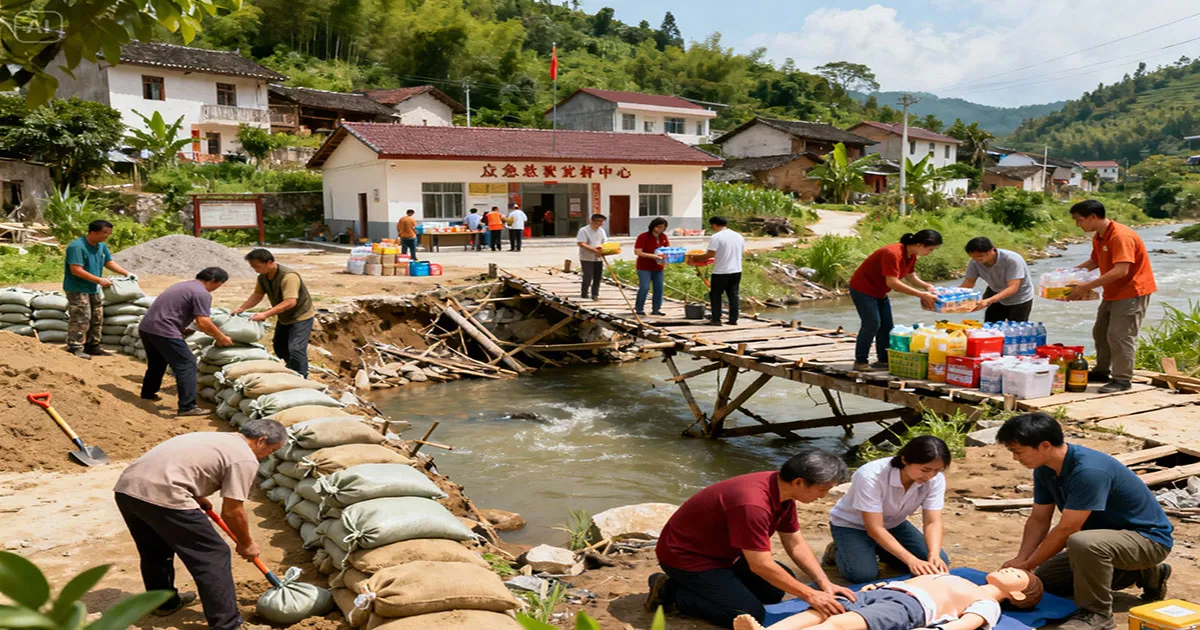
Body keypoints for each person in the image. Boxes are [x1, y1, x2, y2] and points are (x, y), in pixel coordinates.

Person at [997, 412, 1172, 630]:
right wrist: (1022, 560)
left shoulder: (1088, 471)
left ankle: (1097, 614)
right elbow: (1039, 519)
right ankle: (1144, 571)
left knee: (1082, 542)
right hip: (1107, 541)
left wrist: (1028, 565)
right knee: (1045, 582)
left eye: (1018, 451)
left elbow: (1068, 528)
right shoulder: (1045, 468)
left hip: (1148, 540)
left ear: (1044, 445)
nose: (1015, 458)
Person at [647, 449, 854, 628]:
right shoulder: (753, 504)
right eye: (822, 489)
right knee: (747, 614)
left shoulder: (784, 491)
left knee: (773, 590)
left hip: (726, 555)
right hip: (688, 559)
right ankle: (671, 592)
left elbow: (795, 542)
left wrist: (823, 583)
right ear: (799, 482)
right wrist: (810, 595)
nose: (823, 496)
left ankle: (717, 587)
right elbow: (760, 566)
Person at [113, 419, 287, 630]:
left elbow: (183, 463)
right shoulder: (245, 459)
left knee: (155, 550)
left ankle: (164, 603)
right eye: (271, 450)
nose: (268, 456)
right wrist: (246, 543)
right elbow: (232, 511)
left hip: (127, 490)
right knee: (214, 554)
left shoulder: (219, 438)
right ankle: (227, 625)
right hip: (165, 494)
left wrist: (195, 494)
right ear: (261, 441)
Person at [733, 568, 1043, 630]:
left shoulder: (986, 601)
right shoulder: (965, 578)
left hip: (910, 608)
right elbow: (914, 579)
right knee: (820, 609)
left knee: (841, 623)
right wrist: (882, 584)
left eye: (1019, 575)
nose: (1014, 568)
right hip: (889, 592)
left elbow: (967, 625)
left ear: (1017, 594)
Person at [826, 436, 951, 583]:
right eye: (925, 469)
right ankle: (837, 552)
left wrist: (934, 555)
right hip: (852, 525)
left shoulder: (935, 480)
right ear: (905, 460)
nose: (930, 476)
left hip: (893, 524)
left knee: (937, 562)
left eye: (937, 471)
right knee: (863, 574)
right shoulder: (871, 475)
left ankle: (880, 549)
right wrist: (910, 559)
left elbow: (932, 521)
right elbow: (874, 528)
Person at [1067, 200, 1156, 393]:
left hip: (1132, 291)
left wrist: (1086, 286)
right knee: (1100, 332)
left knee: (1120, 335)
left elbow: (1121, 270)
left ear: (1093, 217)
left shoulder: (1120, 236)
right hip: (1112, 292)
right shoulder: (1099, 236)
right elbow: (1095, 261)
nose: (1078, 225)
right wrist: (1069, 274)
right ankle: (1101, 371)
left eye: (1079, 220)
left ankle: (1122, 379)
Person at [138, 268, 235, 416]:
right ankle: (187, 407)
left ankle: (148, 393)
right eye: (220, 285)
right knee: (187, 364)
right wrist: (221, 337)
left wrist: (183, 327)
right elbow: (203, 322)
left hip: (147, 328)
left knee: (157, 363)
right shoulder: (202, 293)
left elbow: (173, 309)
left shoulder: (183, 285)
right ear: (215, 282)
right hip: (165, 330)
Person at [848, 230, 943, 371]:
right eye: (930, 249)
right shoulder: (892, 253)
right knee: (872, 324)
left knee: (887, 326)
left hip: (879, 291)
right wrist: (921, 294)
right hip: (863, 289)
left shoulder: (911, 255)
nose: (930, 252)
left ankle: (883, 361)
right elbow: (892, 282)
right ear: (919, 244)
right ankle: (860, 361)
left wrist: (927, 286)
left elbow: (910, 275)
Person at [232, 249, 316, 377]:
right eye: (252, 267)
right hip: (284, 316)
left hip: (301, 316)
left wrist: (265, 315)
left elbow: (290, 302)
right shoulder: (263, 277)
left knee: (296, 349)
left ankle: (302, 376)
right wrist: (242, 308)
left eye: (257, 266)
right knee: (279, 347)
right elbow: (257, 295)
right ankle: (292, 369)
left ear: (269, 262)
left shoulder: (289, 277)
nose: (255, 269)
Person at [63, 219, 135, 359]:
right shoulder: (77, 247)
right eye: (105, 233)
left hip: (93, 288)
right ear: (94, 232)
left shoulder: (101, 246)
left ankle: (92, 345)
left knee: (97, 317)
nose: (108, 235)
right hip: (78, 288)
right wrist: (99, 280)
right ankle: (75, 346)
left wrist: (125, 273)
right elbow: (76, 270)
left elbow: (109, 262)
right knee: (81, 317)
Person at [959, 237, 1034, 323]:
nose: (977, 260)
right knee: (990, 325)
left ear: (992, 250)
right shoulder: (975, 262)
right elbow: (968, 283)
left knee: (1016, 330)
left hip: (1019, 297)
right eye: (973, 257)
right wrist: (952, 297)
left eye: (980, 257)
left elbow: (1013, 287)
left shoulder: (1012, 260)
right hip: (995, 291)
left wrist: (988, 301)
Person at [704, 216, 746, 326]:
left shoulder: (716, 237)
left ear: (714, 225)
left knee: (716, 295)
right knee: (733, 295)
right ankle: (733, 319)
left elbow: (710, 254)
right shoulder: (738, 236)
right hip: (736, 270)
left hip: (721, 271)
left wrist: (696, 258)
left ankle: (716, 319)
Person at [635, 218, 670, 316]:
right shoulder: (643, 236)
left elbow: (667, 249)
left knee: (659, 288)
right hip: (644, 266)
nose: (660, 229)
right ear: (653, 226)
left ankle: (656, 309)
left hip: (658, 267)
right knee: (645, 287)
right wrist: (654, 256)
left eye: (663, 227)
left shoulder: (663, 237)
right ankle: (639, 308)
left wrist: (667, 258)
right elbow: (638, 252)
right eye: (659, 227)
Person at [577, 213, 608, 301]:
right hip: (586, 257)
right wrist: (594, 250)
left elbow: (604, 242)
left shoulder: (601, 231)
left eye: (602, 221)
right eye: (598, 221)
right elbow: (581, 243)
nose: (600, 223)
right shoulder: (584, 230)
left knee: (598, 276)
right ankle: (584, 293)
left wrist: (603, 249)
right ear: (593, 221)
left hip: (598, 257)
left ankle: (595, 294)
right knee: (587, 276)